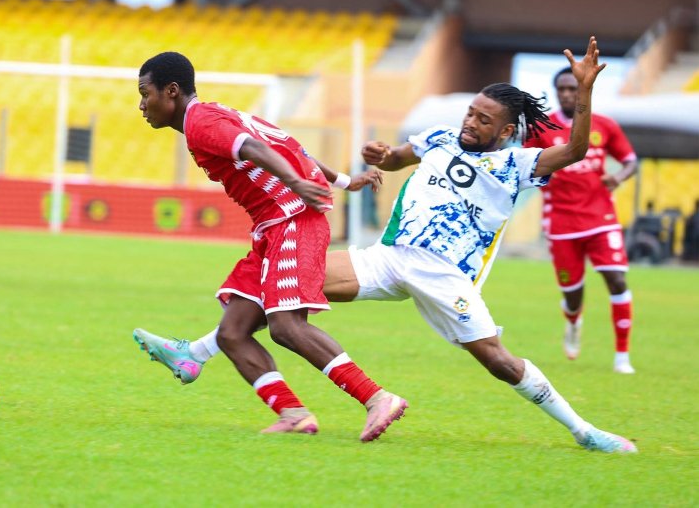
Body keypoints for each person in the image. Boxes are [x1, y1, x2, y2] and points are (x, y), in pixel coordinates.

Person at [134, 38, 637, 453]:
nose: (471, 123)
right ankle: (197, 352)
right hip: (388, 256)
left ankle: (583, 430)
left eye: (484, 121)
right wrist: (376, 160)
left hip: (444, 274)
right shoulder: (440, 137)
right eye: (470, 112)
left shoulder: (518, 164)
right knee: (279, 288)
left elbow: (575, 149)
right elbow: (398, 158)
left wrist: (587, 90)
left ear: (506, 131)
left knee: (499, 361)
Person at [133, 51, 407, 442]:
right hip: (272, 227)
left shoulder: (200, 123)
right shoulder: (214, 114)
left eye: (145, 93)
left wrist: (296, 185)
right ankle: (292, 413)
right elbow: (289, 143)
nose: (141, 104)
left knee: (286, 325)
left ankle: (378, 398)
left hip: (293, 218)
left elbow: (260, 151)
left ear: (171, 91)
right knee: (233, 331)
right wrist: (346, 181)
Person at [524, 66, 638, 373]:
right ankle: (573, 321)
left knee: (617, 280)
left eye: (573, 88)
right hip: (561, 222)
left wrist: (619, 177)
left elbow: (630, 160)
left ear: (584, 91)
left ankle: (622, 356)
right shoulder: (542, 130)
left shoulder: (604, 126)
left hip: (601, 218)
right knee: (573, 296)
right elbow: (521, 166)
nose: (567, 94)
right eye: (561, 89)